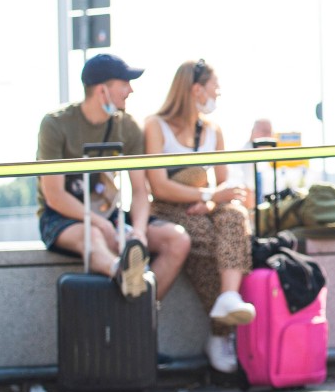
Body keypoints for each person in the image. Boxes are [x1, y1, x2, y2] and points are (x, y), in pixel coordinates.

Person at [36, 54, 190, 302]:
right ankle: (124, 274)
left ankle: (140, 308)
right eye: (124, 83)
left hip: (111, 214)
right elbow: (54, 195)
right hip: (64, 217)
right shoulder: (56, 124)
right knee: (94, 236)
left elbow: (140, 191)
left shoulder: (127, 126)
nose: (130, 90)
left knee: (177, 239)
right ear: (102, 90)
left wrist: (138, 233)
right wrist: (98, 222)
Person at [143, 59, 256, 374]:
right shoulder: (155, 125)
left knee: (234, 217)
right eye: (214, 89)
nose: (217, 96)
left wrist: (212, 202)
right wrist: (206, 197)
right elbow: (159, 185)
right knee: (206, 244)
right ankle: (221, 333)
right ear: (196, 89)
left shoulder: (212, 131)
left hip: (202, 205)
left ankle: (230, 297)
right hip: (171, 209)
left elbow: (222, 183)